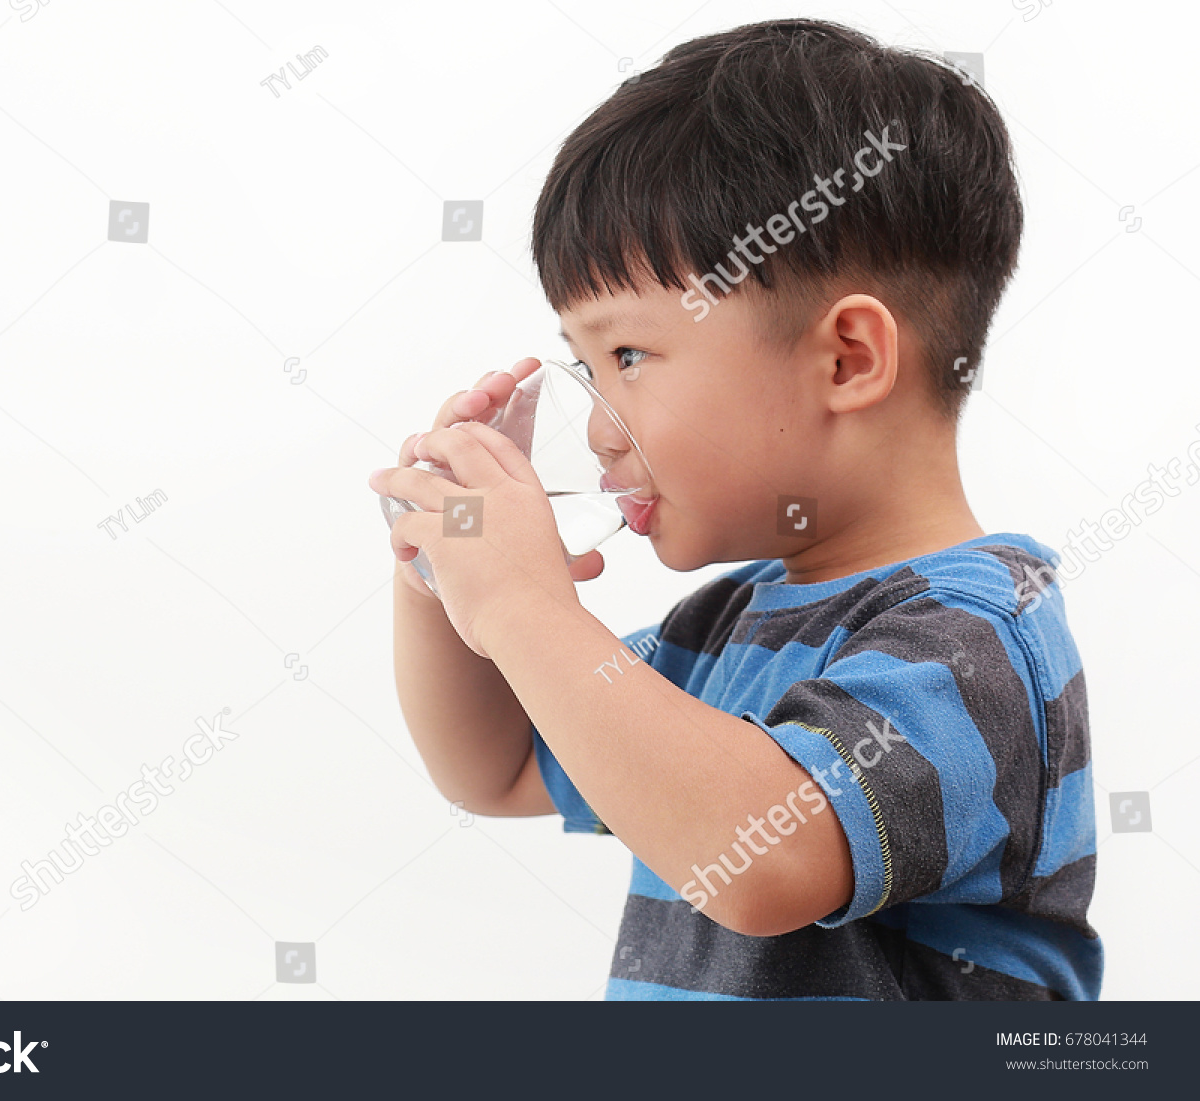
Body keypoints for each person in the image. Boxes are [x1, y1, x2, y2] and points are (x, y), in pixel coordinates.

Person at [365, 17, 1101, 1000]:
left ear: (846, 360)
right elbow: (491, 771)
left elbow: (764, 862)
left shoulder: (973, 640)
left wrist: (526, 609)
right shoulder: (719, 631)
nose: (594, 422)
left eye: (627, 357)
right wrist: (442, 575)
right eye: (582, 365)